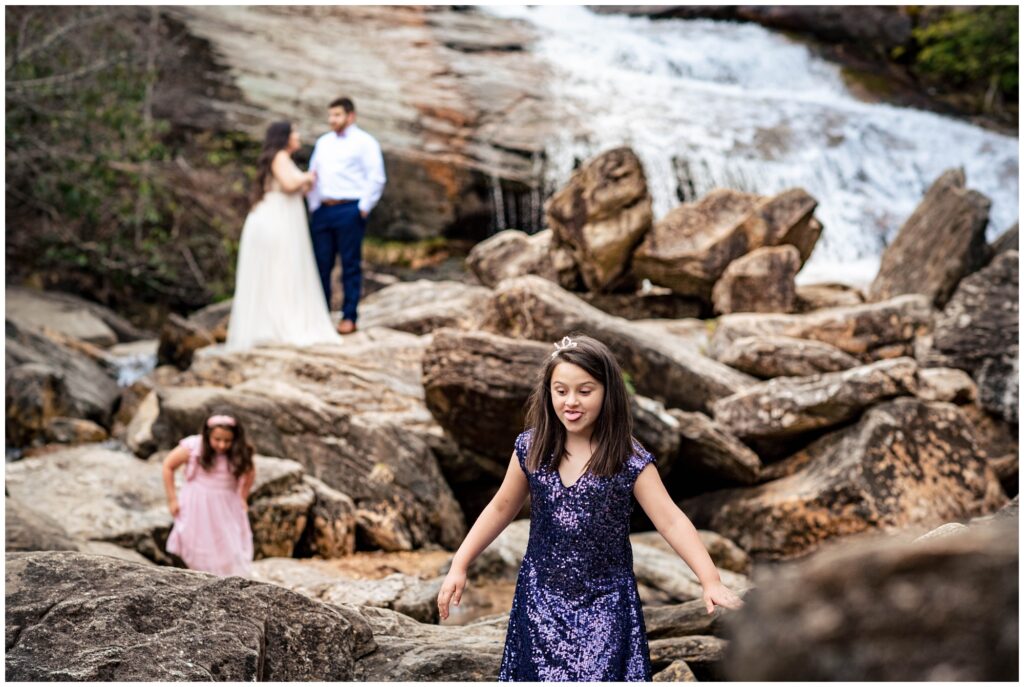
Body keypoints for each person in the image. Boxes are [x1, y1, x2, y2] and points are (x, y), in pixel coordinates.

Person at [436, 335, 744, 681]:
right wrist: (460, 564)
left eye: (585, 391)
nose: (571, 402)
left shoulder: (627, 458)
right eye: (561, 390)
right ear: (548, 392)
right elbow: (500, 509)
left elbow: (670, 520)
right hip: (540, 599)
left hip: (606, 605)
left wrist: (710, 580)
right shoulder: (532, 448)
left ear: (608, 393)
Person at [225, 121, 341, 351]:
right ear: (285, 137)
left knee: (281, 270)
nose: (298, 136)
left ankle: (275, 321)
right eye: (295, 132)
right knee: (280, 269)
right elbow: (289, 185)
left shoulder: (281, 158)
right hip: (275, 222)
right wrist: (309, 177)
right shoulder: (279, 157)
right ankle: (277, 324)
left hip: (281, 219)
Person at [307, 96, 387, 335]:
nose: (332, 120)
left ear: (350, 116)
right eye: (330, 115)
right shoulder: (323, 143)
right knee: (321, 265)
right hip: (323, 210)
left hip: (349, 209)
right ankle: (320, 317)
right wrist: (315, 206)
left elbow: (376, 177)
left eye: (337, 115)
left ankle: (349, 316)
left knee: (350, 265)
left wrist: (362, 208)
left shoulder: (365, 142)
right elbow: (314, 174)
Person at [163, 412, 255, 577]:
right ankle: (200, 576)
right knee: (198, 543)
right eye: (217, 440)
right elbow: (168, 466)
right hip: (198, 503)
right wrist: (172, 499)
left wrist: (243, 496)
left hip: (227, 504)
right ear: (208, 436)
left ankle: (227, 577)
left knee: (228, 543)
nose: (221, 445)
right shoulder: (193, 448)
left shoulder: (240, 452)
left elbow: (250, 472)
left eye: (227, 441)